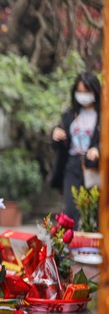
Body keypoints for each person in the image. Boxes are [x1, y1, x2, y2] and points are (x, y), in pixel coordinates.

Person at [50, 72, 101, 226]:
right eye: (80, 92)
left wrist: (98, 148)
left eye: (87, 92)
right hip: (72, 165)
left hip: (95, 168)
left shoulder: (103, 116)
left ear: (95, 92)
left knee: (95, 210)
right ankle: (68, 246)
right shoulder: (70, 114)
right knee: (71, 210)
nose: (83, 96)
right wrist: (55, 135)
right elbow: (58, 145)